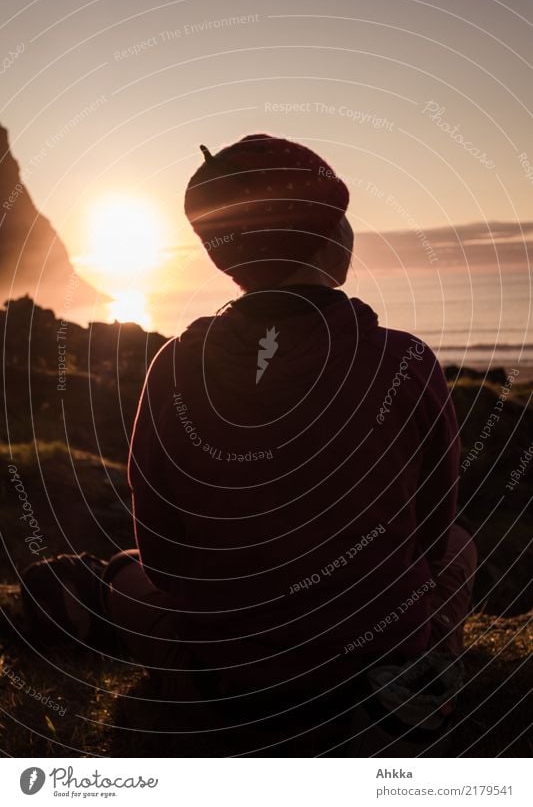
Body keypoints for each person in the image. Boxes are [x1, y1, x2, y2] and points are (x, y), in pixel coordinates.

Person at [21, 134, 477, 754]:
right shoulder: (407, 363)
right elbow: (431, 531)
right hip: (370, 665)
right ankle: (409, 681)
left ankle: (100, 618)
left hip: (224, 678)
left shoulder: (174, 368)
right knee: (458, 548)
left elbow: (164, 559)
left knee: (124, 576)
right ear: (327, 235)